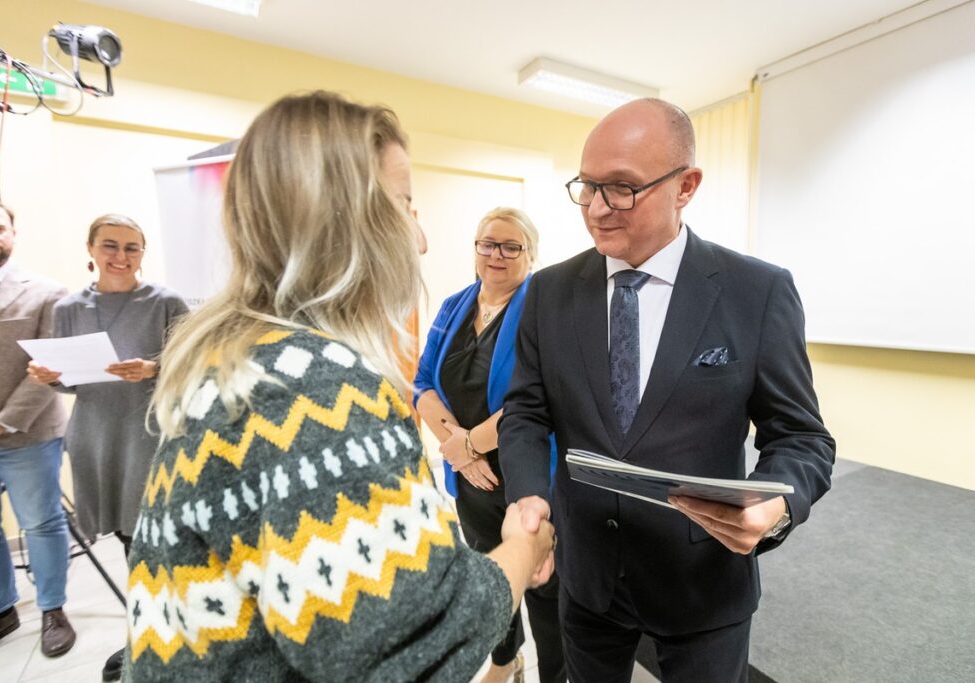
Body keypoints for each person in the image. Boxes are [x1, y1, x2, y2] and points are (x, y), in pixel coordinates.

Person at [123, 91, 555, 681]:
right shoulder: (316, 391)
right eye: (406, 205)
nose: (420, 240)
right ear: (346, 222)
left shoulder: (249, 357)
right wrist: (524, 548)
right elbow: (404, 643)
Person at [498, 98, 836, 682]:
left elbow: (802, 437)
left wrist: (774, 504)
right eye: (588, 186)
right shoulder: (549, 291)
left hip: (703, 582)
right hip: (588, 578)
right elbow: (526, 411)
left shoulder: (756, 292)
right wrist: (527, 494)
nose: (597, 210)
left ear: (686, 186)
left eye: (622, 189)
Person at [26, 213, 188, 681]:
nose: (120, 256)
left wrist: (154, 369)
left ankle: (161, 638)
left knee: (155, 544)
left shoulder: (166, 302)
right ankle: (148, 637)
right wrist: (51, 377)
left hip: (149, 434)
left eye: (131, 247)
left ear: (143, 253)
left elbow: (196, 364)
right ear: (91, 249)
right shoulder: (69, 308)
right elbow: (71, 386)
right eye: (110, 246)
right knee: (128, 543)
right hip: (97, 436)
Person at [415, 207, 564, 683]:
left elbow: (539, 397)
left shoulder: (544, 310)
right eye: (486, 244)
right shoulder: (455, 305)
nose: (496, 255)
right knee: (488, 574)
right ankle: (505, 659)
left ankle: (554, 673)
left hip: (528, 475)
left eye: (510, 246)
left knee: (542, 584)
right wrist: (455, 446)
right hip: (469, 478)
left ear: (530, 255)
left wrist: (467, 446)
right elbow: (422, 384)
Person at [0, 193, 76, 673]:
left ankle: (52, 609)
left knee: (41, 524)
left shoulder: (45, 292)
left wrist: (2, 422)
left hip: (26, 432)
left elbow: (49, 367)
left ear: (12, 233)